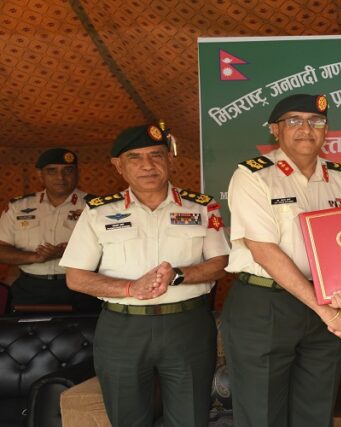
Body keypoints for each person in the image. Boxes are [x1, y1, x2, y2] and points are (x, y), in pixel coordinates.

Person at [59, 123, 230, 427]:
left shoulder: (202, 207)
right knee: (127, 418)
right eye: (135, 157)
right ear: (118, 165)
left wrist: (178, 274)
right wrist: (130, 288)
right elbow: (76, 277)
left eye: (156, 155)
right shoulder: (98, 212)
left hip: (187, 325)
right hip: (123, 328)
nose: (147, 165)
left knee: (190, 417)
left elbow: (220, 263)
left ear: (170, 160)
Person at [222, 93, 341, 427]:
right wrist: (328, 312)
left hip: (328, 303)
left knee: (316, 410)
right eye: (294, 121)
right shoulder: (253, 175)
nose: (306, 129)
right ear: (275, 129)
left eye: (316, 121)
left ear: (326, 130)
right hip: (266, 304)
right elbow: (263, 251)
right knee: (262, 414)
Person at [0, 148, 99, 311]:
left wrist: (69, 253)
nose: (60, 177)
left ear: (77, 173)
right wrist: (34, 257)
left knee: (83, 328)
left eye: (68, 170)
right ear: (40, 175)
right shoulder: (18, 207)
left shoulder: (98, 206)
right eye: (52, 171)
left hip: (82, 287)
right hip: (30, 289)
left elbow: (115, 250)